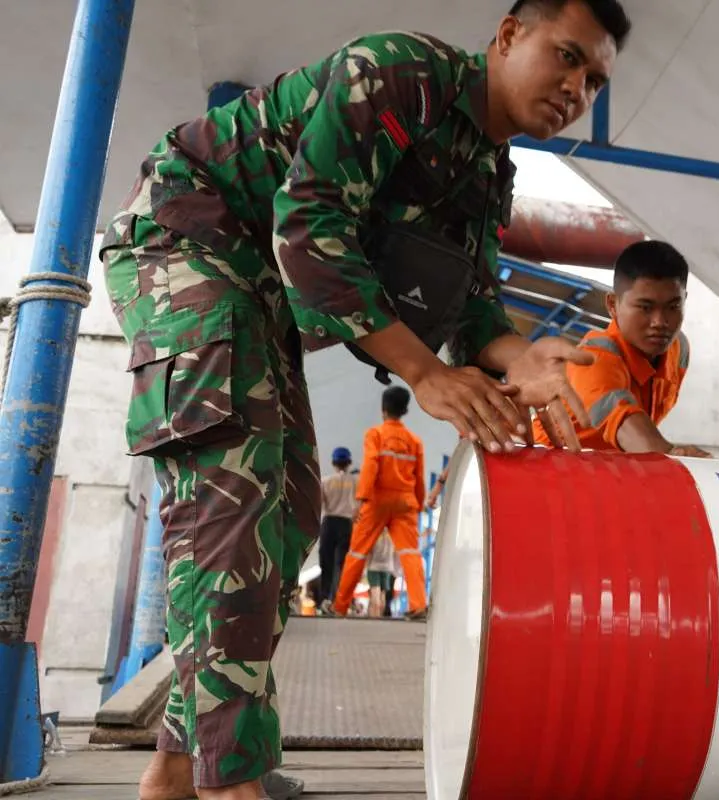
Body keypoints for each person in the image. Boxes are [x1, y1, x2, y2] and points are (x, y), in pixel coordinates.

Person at [98, 2, 632, 797]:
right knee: (236, 492)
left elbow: (473, 306)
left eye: (593, 80)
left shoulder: (489, 174)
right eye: (566, 57)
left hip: (259, 290)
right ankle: (226, 778)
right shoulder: (401, 71)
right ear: (510, 35)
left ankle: (180, 767)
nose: (576, 88)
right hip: (187, 237)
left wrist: (522, 355)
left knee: (291, 512)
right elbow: (309, 225)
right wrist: (425, 375)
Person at [532, 240, 711, 456]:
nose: (660, 322)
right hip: (543, 468)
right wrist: (676, 456)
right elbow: (630, 428)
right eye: (645, 307)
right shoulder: (591, 360)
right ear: (612, 304)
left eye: (673, 307)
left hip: (608, 469)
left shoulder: (678, 349)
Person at [333, 386, 428, 620]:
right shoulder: (414, 441)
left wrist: (362, 498)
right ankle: (418, 604)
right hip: (405, 502)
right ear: (405, 410)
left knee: (357, 553)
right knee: (409, 552)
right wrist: (419, 503)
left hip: (376, 501)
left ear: (383, 409)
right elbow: (420, 477)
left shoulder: (375, 434)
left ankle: (340, 606)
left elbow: (372, 464)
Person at [316, 446, 356, 613]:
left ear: (333, 463)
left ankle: (324, 598)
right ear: (349, 463)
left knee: (326, 563)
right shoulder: (356, 481)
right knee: (341, 564)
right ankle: (338, 601)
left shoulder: (325, 481)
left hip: (328, 523)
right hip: (346, 524)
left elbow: (320, 504)